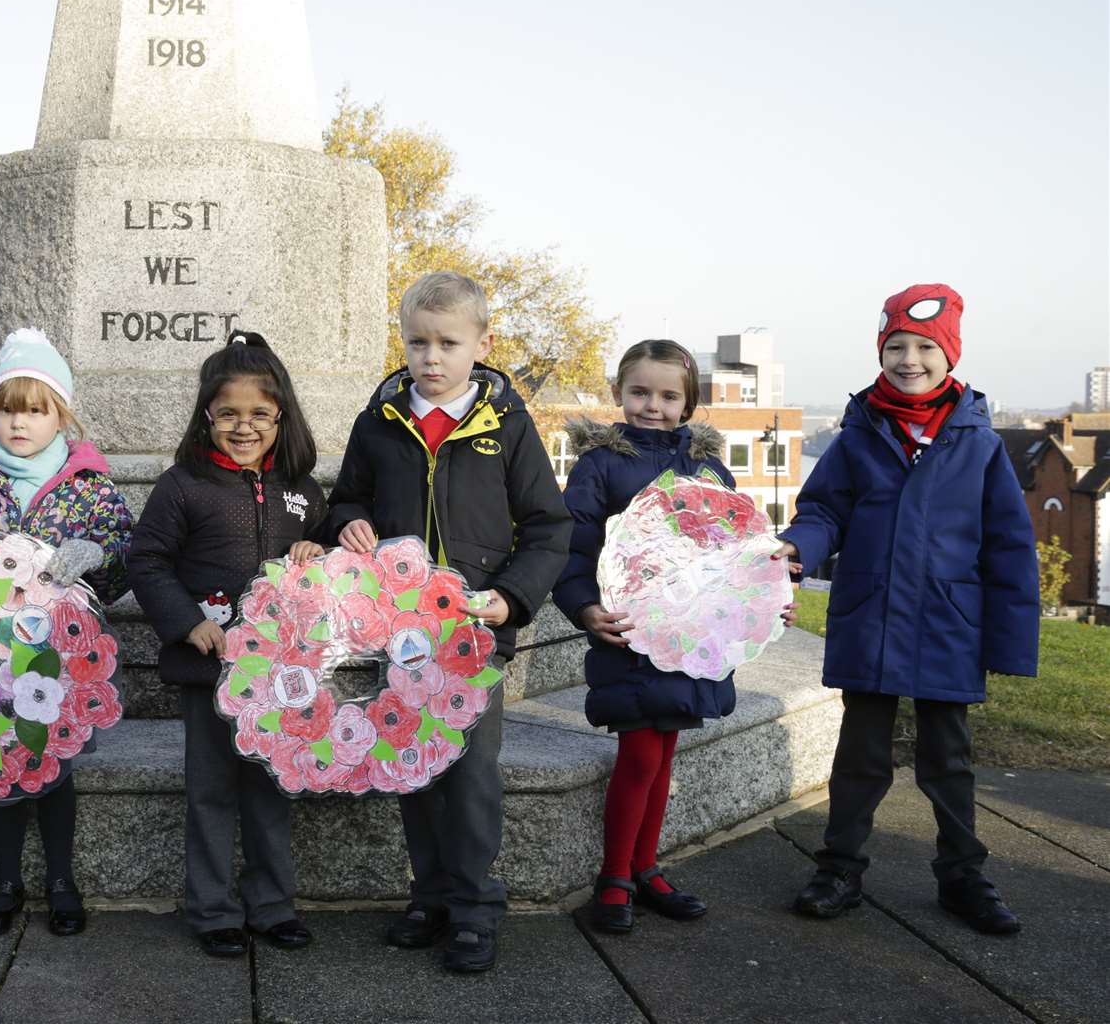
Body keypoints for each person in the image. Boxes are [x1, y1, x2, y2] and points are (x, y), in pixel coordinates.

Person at [325, 271, 572, 973]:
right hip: (397, 634)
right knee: (413, 763)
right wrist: (352, 525)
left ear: (482, 344)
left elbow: (550, 528)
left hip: (474, 635)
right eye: (416, 342)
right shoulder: (379, 422)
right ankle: (428, 895)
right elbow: (344, 502)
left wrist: (512, 597)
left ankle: (473, 907)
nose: (431, 358)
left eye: (448, 343)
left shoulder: (507, 426)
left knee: (467, 775)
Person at [775, 284, 1038, 935]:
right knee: (860, 756)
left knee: (947, 759)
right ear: (880, 352)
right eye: (897, 346)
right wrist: (799, 548)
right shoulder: (861, 431)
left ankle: (962, 875)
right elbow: (825, 509)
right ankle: (840, 867)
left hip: (950, 624)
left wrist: (1009, 644)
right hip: (872, 617)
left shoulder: (977, 441)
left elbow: (1009, 546)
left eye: (925, 347)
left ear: (949, 355)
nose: (910, 359)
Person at [554, 339, 794, 935]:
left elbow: (738, 556)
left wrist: (765, 604)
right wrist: (585, 609)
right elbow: (571, 548)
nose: (652, 406)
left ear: (688, 403)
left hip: (694, 642)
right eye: (639, 392)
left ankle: (644, 866)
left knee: (662, 756)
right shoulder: (600, 465)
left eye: (668, 395)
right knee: (639, 754)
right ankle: (615, 876)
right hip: (631, 637)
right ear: (619, 394)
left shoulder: (709, 470)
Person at [129, 331, 328, 959]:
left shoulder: (303, 490)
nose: (245, 428)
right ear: (207, 416)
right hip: (212, 671)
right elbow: (147, 559)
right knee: (212, 791)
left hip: (280, 677)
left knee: (271, 787)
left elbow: (327, 563)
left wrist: (316, 552)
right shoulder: (182, 486)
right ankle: (213, 909)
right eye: (229, 414)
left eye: (260, 415)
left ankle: (272, 904)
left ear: (281, 416)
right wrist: (188, 622)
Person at [0, 327, 133, 939]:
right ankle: (5, 881)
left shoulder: (88, 484)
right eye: (7, 409)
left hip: (61, 657)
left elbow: (126, 550)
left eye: (35, 410)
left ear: (60, 415)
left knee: (55, 766)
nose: (20, 423)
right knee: (0, 762)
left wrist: (94, 554)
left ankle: (62, 880)